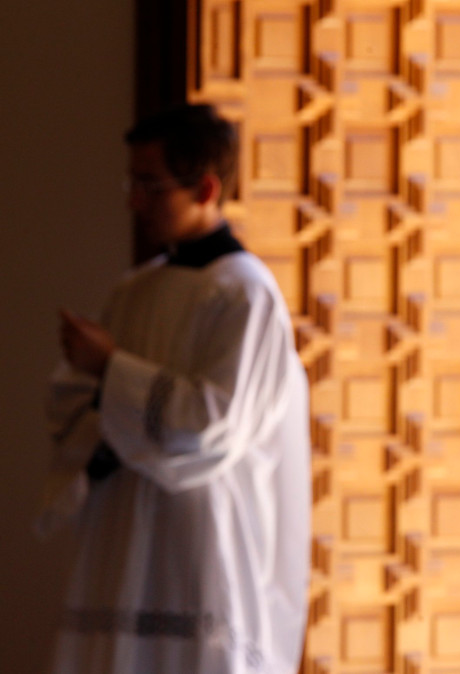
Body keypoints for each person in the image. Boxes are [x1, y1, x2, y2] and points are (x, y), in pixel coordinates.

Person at [38, 104, 311, 673]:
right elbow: (70, 407)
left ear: (206, 187)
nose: (134, 200)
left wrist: (111, 370)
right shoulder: (134, 290)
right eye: (131, 181)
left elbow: (213, 425)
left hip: (201, 543)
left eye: (150, 184)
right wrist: (95, 386)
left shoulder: (245, 295)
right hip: (121, 536)